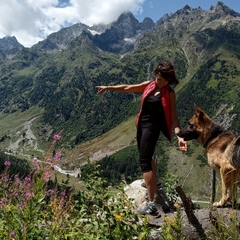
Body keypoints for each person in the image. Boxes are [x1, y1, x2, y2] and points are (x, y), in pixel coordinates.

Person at [96, 61, 187, 216]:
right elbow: (127, 88)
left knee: (144, 162)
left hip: (152, 129)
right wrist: (108, 87)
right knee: (148, 157)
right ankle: (155, 185)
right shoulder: (149, 85)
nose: (162, 82)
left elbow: (174, 117)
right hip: (141, 126)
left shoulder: (170, 93)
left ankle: (152, 205)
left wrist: (180, 136)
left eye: (165, 80)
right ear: (156, 74)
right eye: (159, 78)